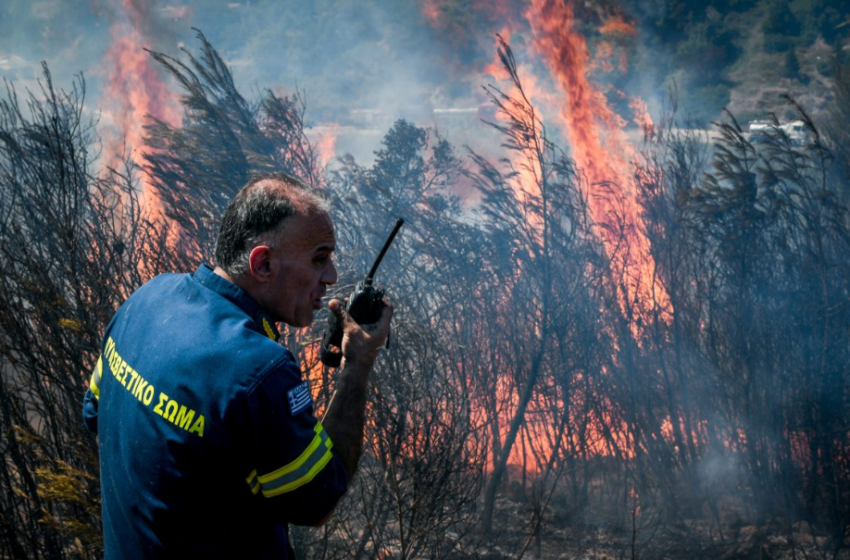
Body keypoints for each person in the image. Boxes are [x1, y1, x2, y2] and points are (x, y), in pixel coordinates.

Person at [82, 172, 392, 559]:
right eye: (319, 258)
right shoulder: (259, 371)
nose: (330, 277)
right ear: (262, 264)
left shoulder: (146, 298)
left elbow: (96, 412)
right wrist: (357, 365)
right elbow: (317, 499)